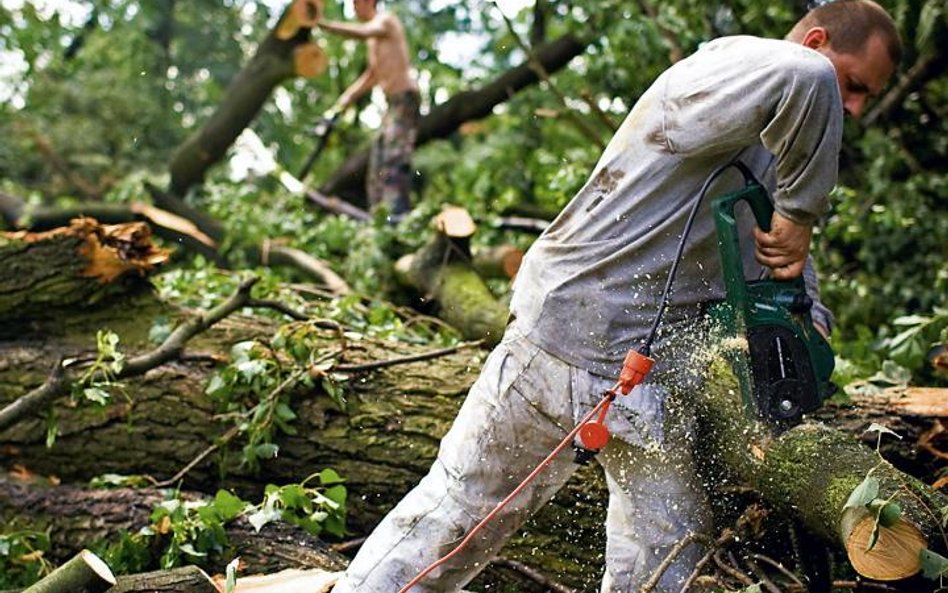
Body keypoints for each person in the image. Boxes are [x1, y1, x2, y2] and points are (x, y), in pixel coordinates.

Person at [330, 1, 901, 592]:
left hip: (649, 374)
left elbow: (779, 256)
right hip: (564, 335)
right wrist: (802, 215)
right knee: (459, 514)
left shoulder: (780, 136)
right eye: (854, 86)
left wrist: (809, 326)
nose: (853, 108)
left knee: (669, 552)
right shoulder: (746, 67)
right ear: (813, 39)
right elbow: (808, 85)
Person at [318, 0, 420, 219]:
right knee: (378, 161)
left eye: (356, 2)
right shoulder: (374, 41)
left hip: (404, 99)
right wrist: (343, 102)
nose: (354, 7)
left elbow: (363, 32)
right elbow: (371, 75)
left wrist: (323, 25)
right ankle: (379, 217)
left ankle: (397, 217)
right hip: (391, 103)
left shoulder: (385, 21)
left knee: (394, 157)